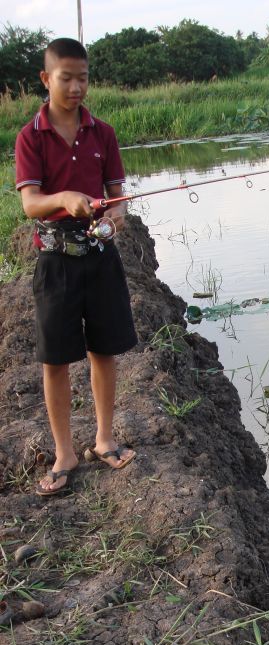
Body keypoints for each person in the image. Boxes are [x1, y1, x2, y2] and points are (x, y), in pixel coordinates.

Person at [15, 37, 138, 496]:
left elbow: (118, 196)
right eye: (66, 78)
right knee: (55, 360)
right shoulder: (30, 137)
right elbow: (31, 204)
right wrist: (65, 199)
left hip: (101, 259)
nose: (76, 87)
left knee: (103, 350)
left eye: (83, 78)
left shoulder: (103, 133)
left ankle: (103, 439)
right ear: (47, 80)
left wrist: (115, 218)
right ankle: (64, 452)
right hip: (55, 262)